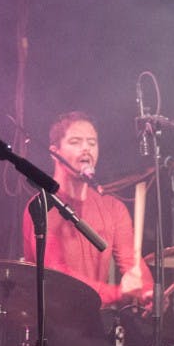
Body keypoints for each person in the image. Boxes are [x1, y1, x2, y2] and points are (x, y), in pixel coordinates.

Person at [22, 111, 152, 309]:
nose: (86, 149)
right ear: (55, 152)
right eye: (75, 142)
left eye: (92, 143)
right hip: (54, 323)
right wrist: (117, 293)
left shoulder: (113, 208)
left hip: (94, 320)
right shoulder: (42, 207)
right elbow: (57, 276)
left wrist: (148, 292)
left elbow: (131, 259)